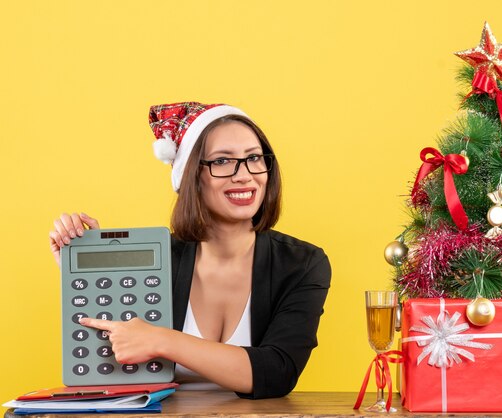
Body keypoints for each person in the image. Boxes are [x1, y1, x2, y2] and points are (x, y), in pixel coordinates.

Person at [48, 102, 332, 399]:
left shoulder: (302, 263)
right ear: (191, 176)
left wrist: (162, 340)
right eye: (222, 161)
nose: (245, 175)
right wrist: (82, 273)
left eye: (254, 158)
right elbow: (113, 357)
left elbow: (276, 373)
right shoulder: (159, 258)